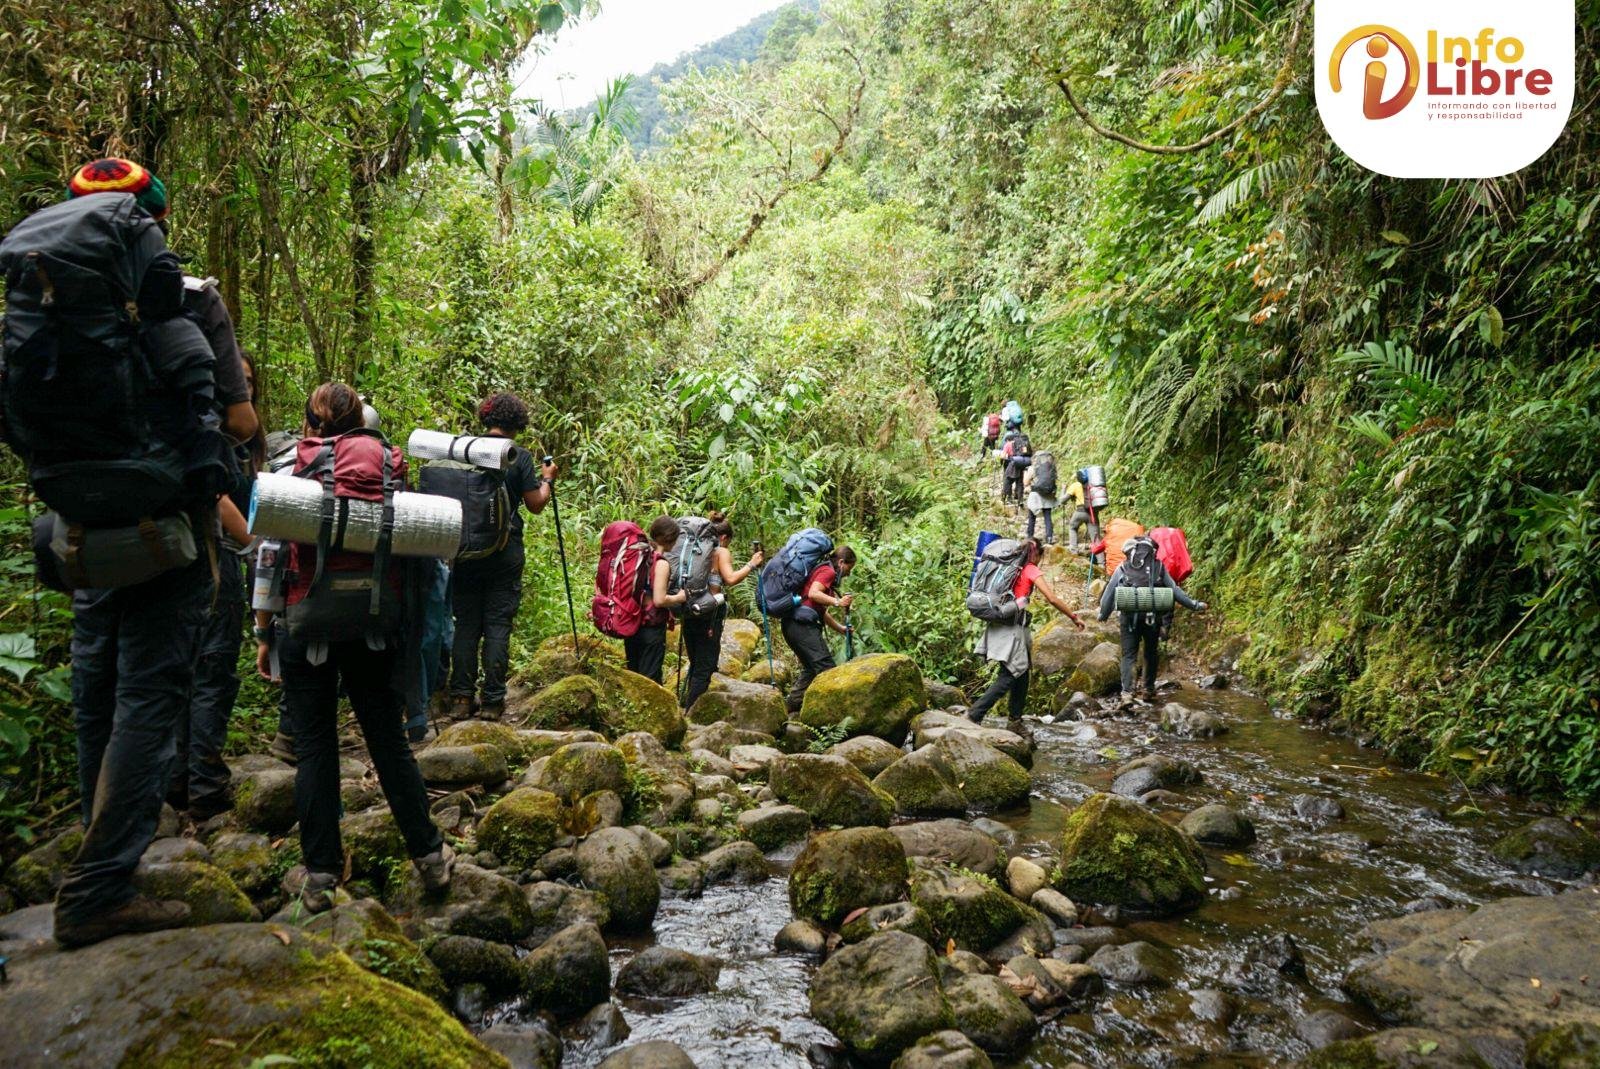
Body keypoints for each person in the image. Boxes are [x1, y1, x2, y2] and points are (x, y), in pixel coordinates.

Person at [51, 159, 245, 947]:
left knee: (93, 676)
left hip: (79, 527)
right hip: (164, 527)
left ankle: (97, 848)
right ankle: (99, 890)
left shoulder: (48, 301)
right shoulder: (193, 299)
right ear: (155, 221)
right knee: (149, 691)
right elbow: (235, 419)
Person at [253, 382, 454, 912]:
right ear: (361, 421)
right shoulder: (388, 469)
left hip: (306, 628)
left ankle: (320, 876)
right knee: (387, 741)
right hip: (373, 628)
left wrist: (262, 632)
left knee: (315, 748)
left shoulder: (289, 472)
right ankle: (430, 857)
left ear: (310, 425)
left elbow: (271, 558)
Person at [168, 346, 264, 823]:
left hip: (197, 558)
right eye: (237, 380)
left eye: (249, 382)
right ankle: (204, 783)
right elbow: (218, 494)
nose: (243, 389)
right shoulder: (211, 438)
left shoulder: (217, 437)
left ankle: (181, 778)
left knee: (193, 670)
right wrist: (255, 543)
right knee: (212, 671)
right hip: (213, 558)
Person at [448, 392, 558, 719]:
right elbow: (536, 504)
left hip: (465, 551)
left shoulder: (466, 450)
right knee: (497, 624)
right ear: (516, 423)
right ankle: (493, 702)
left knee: (466, 625)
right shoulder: (516, 456)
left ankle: (461, 699)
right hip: (504, 552)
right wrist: (548, 480)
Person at [967, 539, 1082, 731]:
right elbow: (1051, 598)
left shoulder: (1009, 568)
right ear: (1036, 554)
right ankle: (974, 714)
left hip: (1001, 623)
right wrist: (1073, 616)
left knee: (1021, 672)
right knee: (1009, 674)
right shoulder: (1029, 569)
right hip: (1012, 629)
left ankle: (1015, 719)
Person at [1098, 535, 1206, 702]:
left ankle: (1127, 693)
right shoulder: (1159, 567)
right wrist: (1195, 605)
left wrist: (1103, 614)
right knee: (1150, 653)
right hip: (1152, 617)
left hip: (1129, 617)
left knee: (1128, 655)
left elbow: (1109, 593)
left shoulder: (1123, 567)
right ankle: (1148, 690)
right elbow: (1175, 591)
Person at [780, 545, 856, 713]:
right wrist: (838, 602)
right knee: (826, 667)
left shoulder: (819, 570)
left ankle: (789, 709)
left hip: (791, 625)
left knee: (811, 669)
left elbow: (819, 611)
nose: (849, 573)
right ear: (841, 562)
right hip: (801, 627)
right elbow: (814, 594)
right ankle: (835, 715)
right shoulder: (827, 572)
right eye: (849, 568)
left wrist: (841, 629)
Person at [1066, 470, 1100, 557]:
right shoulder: (1095, 484)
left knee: (1072, 527)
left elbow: (1063, 500)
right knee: (1096, 539)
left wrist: (1063, 489)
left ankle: (1074, 552)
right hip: (1092, 513)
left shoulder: (1075, 485)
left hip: (1079, 512)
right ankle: (1101, 563)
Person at [1024, 464, 1057, 544]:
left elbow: (1025, 482)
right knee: (1048, 517)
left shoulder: (1033, 468)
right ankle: (1049, 538)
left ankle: (1030, 537)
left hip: (1035, 495)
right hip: (1048, 495)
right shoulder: (1050, 468)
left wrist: (1025, 472)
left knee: (1032, 517)